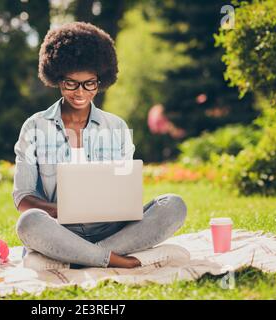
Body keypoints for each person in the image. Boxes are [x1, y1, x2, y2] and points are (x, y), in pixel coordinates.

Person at [13, 22, 187, 269]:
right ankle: (114, 259)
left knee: (174, 205)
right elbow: (23, 198)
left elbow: (125, 192)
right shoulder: (35, 127)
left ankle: (84, 257)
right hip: (59, 229)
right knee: (28, 223)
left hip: (112, 230)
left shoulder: (116, 127)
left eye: (89, 83)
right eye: (71, 83)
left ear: (100, 80)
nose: (80, 92)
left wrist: (122, 207)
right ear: (57, 79)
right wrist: (62, 210)